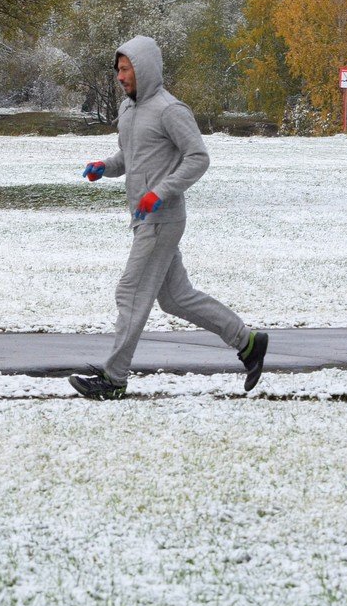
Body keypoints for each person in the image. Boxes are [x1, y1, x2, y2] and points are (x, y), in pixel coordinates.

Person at [70, 35, 267, 400]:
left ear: (143, 68)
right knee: (176, 298)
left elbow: (198, 157)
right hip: (143, 219)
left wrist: (159, 193)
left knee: (130, 291)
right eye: (118, 69)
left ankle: (113, 379)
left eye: (126, 69)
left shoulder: (170, 110)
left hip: (163, 219)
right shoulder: (128, 110)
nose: (120, 76)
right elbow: (130, 157)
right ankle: (248, 342)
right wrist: (105, 166)